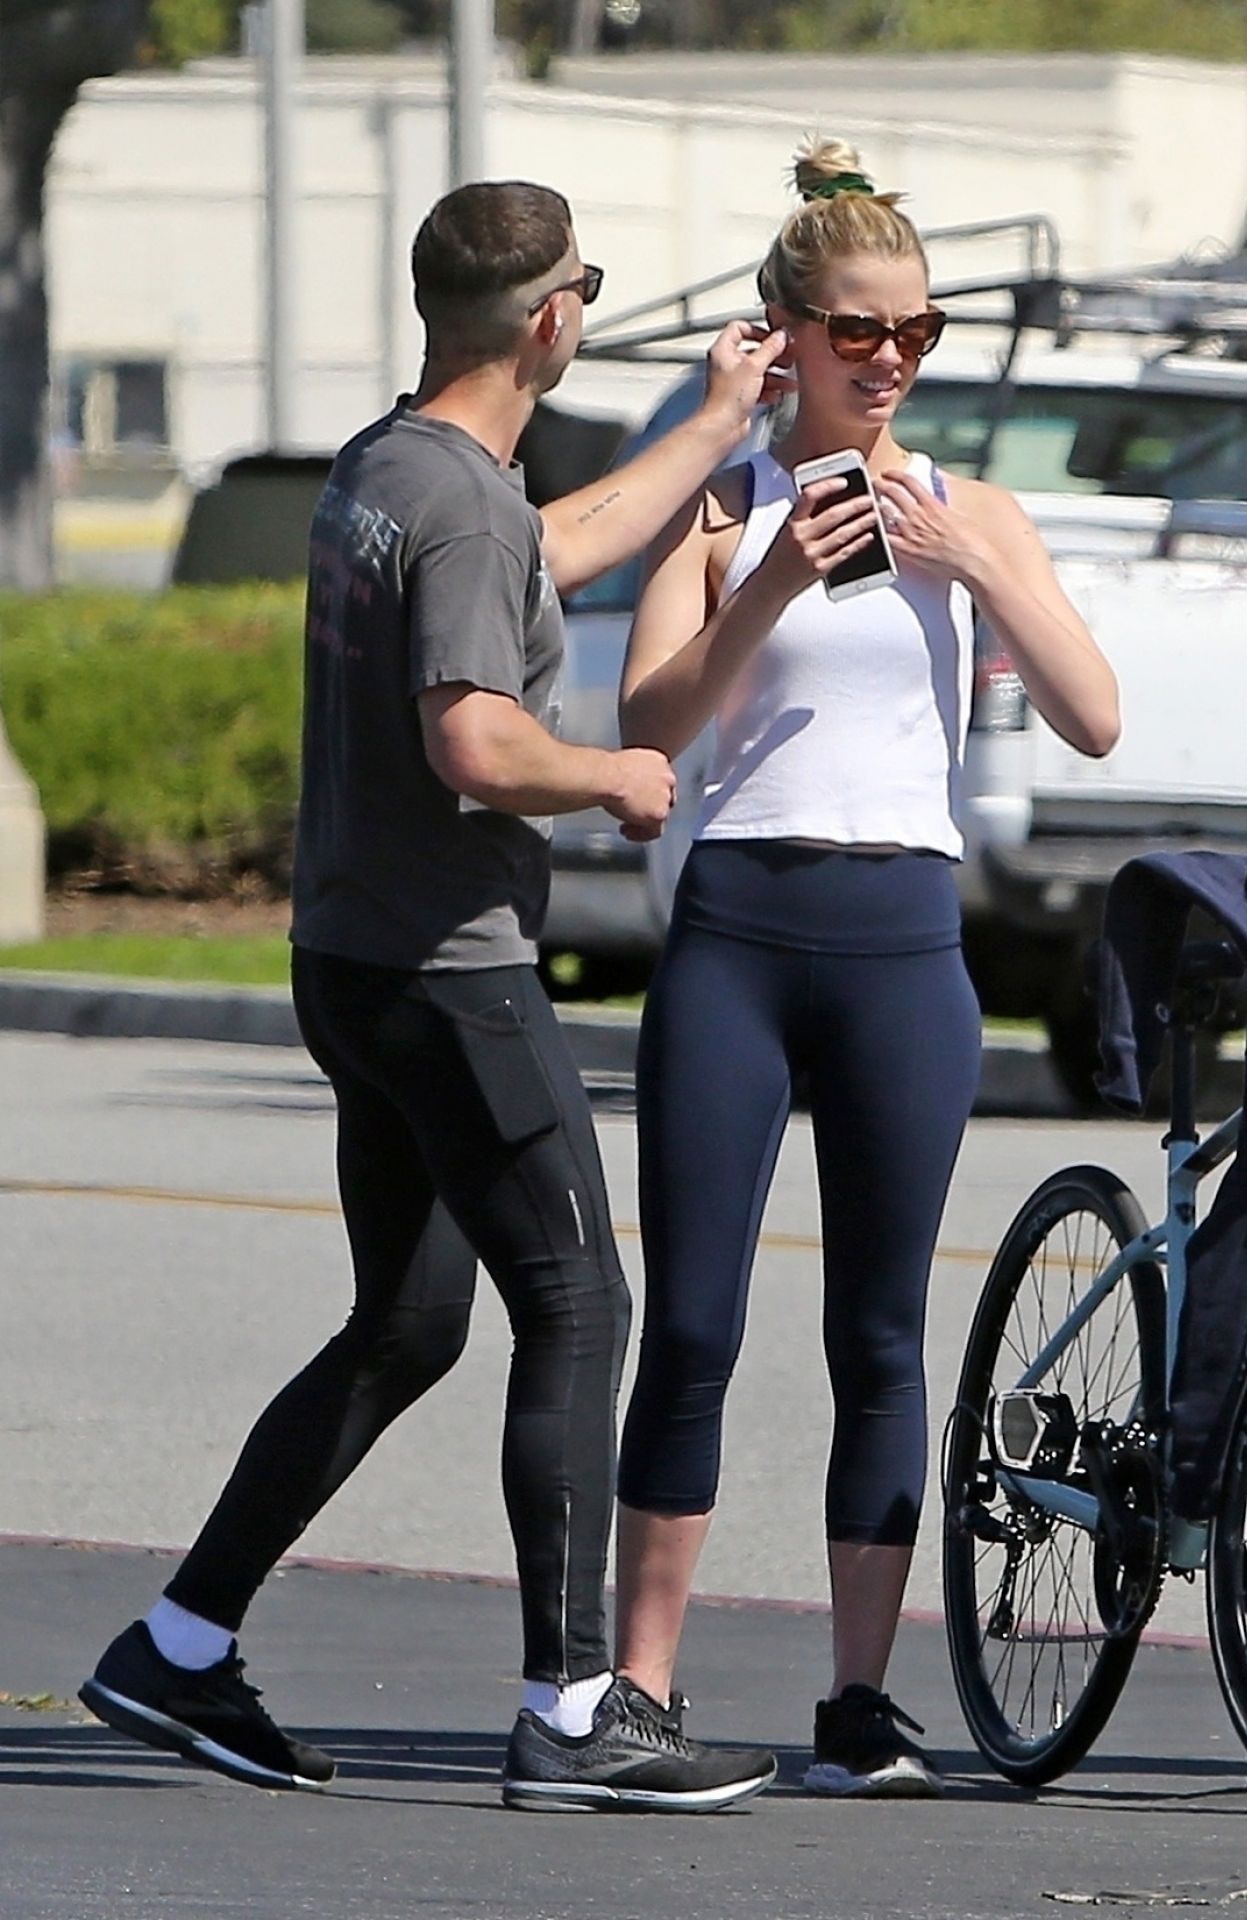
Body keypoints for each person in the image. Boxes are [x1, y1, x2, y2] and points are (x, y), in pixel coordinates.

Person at [80, 177, 786, 1814]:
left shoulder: (392, 471)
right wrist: (611, 771)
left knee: (407, 1323)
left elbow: (549, 548)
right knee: (579, 1302)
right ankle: (572, 1702)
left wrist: (714, 422)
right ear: (549, 320)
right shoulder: (460, 507)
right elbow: (472, 736)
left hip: (351, 956)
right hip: (448, 973)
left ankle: (176, 1645)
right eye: (587, 288)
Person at [611, 136, 1121, 1798]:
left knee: (882, 1338)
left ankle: (855, 1700)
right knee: (690, 1325)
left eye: (917, 332)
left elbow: (1095, 716)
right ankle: (642, 1690)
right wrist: (769, 578)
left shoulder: (974, 512)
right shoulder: (718, 500)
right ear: (783, 333)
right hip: (739, 937)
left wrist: (971, 569)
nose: (887, 359)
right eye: (855, 331)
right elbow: (649, 725)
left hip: (905, 939)